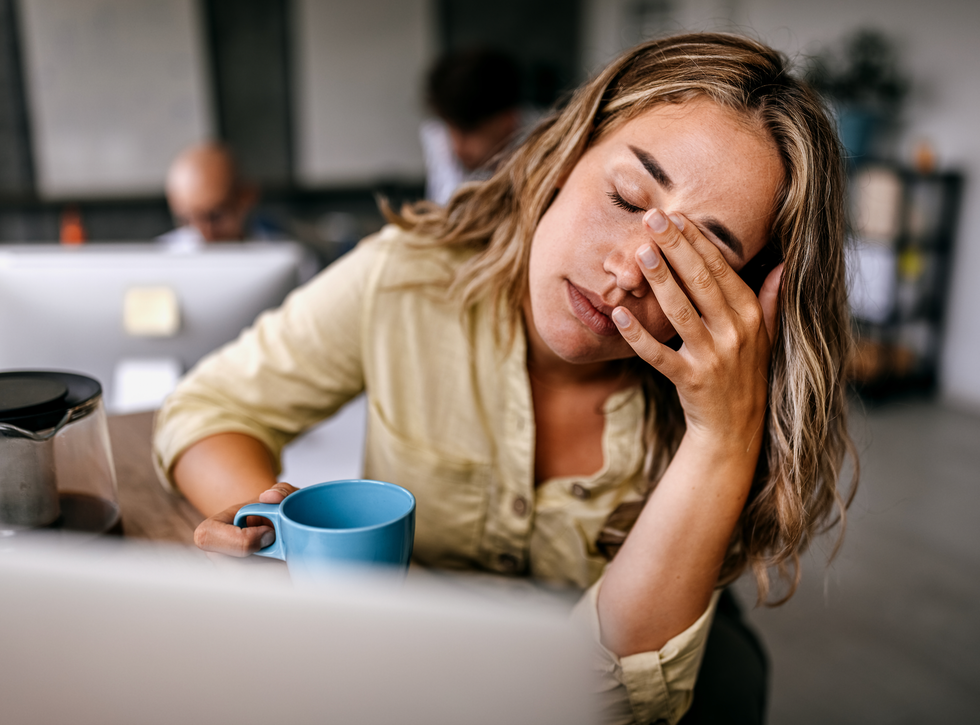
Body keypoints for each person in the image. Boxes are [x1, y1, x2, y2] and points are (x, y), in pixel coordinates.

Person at [153, 33, 856, 725]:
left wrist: (721, 436)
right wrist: (280, 541)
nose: (627, 272)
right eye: (625, 197)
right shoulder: (406, 279)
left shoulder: (724, 402)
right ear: (565, 156)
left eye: (697, 258)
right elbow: (208, 408)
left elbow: (618, 699)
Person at [420, 47, 533, 205]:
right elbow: (445, 207)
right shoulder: (438, 134)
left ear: (508, 120)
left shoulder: (544, 141)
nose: (457, 146)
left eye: (468, 132)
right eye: (451, 128)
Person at [159, 142, 268, 250]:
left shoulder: (271, 247)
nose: (204, 235)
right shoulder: (162, 254)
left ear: (247, 197)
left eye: (214, 217)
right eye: (187, 220)